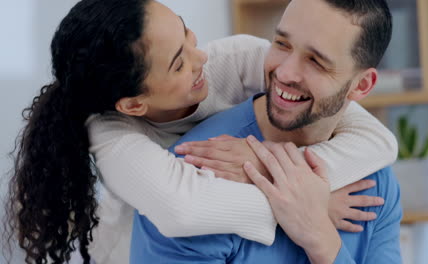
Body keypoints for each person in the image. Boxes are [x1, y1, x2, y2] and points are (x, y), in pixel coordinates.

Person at [3, 0, 397, 263]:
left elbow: (378, 141)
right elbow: (181, 209)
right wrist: (303, 205)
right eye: (178, 64)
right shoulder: (118, 137)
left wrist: (300, 189)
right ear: (135, 105)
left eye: (187, 32)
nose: (202, 56)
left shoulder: (236, 60)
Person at [129, 0, 401, 263]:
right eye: (282, 44)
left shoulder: (372, 179)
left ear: (362, 85)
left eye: (316, 61)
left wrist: (321, 240)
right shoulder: (191, 179)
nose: (285, 72)